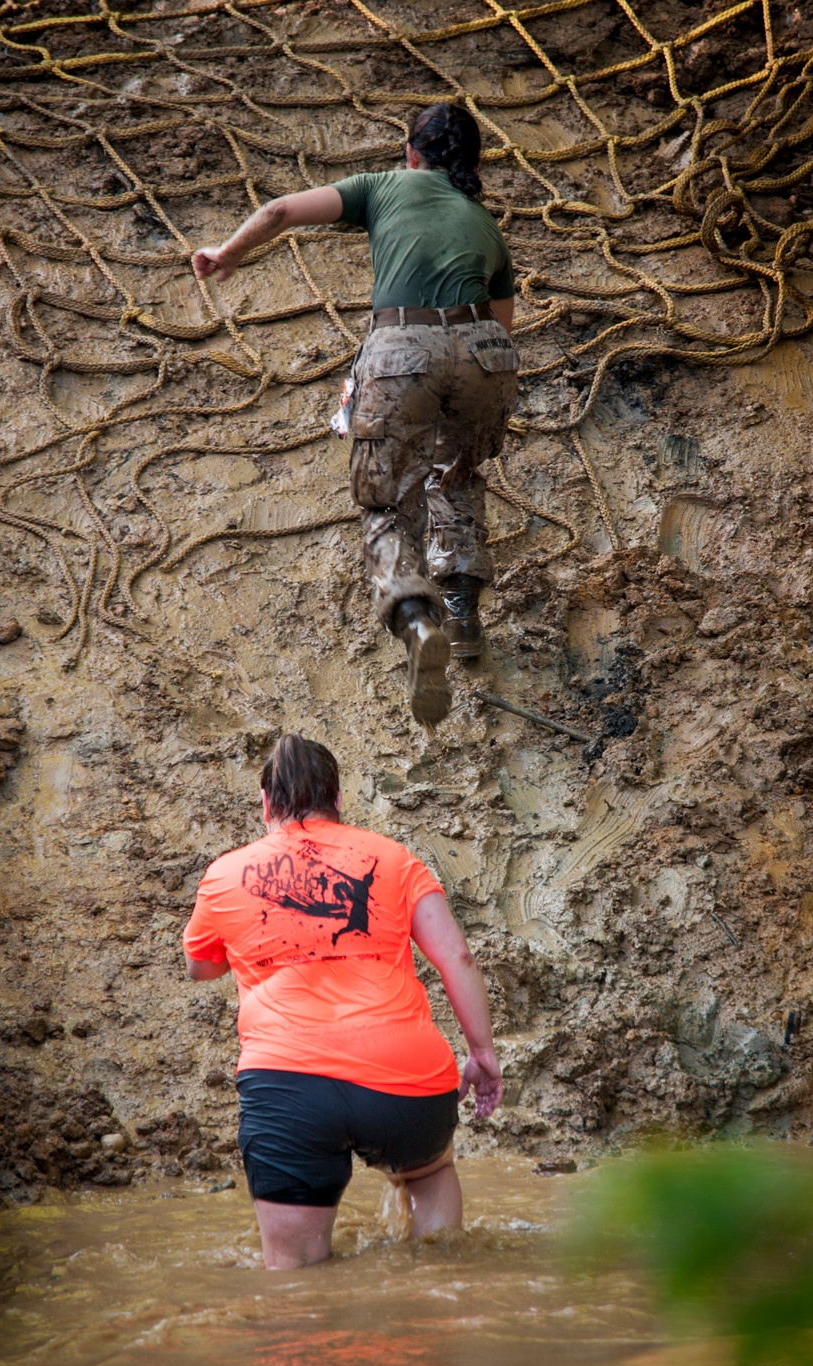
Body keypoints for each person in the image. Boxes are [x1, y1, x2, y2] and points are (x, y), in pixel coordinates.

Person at [193, 103, 519, 728]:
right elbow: (502, 329)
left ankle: (418, 619)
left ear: (410, 153)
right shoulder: (485, 225)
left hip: (402, 350)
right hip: (487, 356)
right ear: (473, 166)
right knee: (456, 474)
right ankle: (464, 615)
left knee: (387, 502)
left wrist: (228, 251)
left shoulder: (382, 187)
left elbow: (281, 211)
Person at [182, 734, 503, 1269]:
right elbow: (458, 960)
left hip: (288, 1080)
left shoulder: (224, 874)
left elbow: (201, 966)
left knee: (295, 1278)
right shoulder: (394, 859)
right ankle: (442, 1293)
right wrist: (483, 1054)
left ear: (265, 803)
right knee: (429, 1177)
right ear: (338, 798)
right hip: (404, 1076)